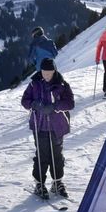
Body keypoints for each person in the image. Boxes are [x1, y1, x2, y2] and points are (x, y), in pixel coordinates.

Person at [21, 58, 75, 199]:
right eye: (44, 72)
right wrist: (35, 104)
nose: (46, 75)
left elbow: (70, 103)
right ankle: (39, 183)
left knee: (56, 154)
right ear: (41, 71)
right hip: (39, 125)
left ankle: (57, 182)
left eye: (49, 72)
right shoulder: (34, 85)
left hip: (57, 125)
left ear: (54, 71)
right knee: (42, 154)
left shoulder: (62, 85)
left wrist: (55, 106)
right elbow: (24, 101)